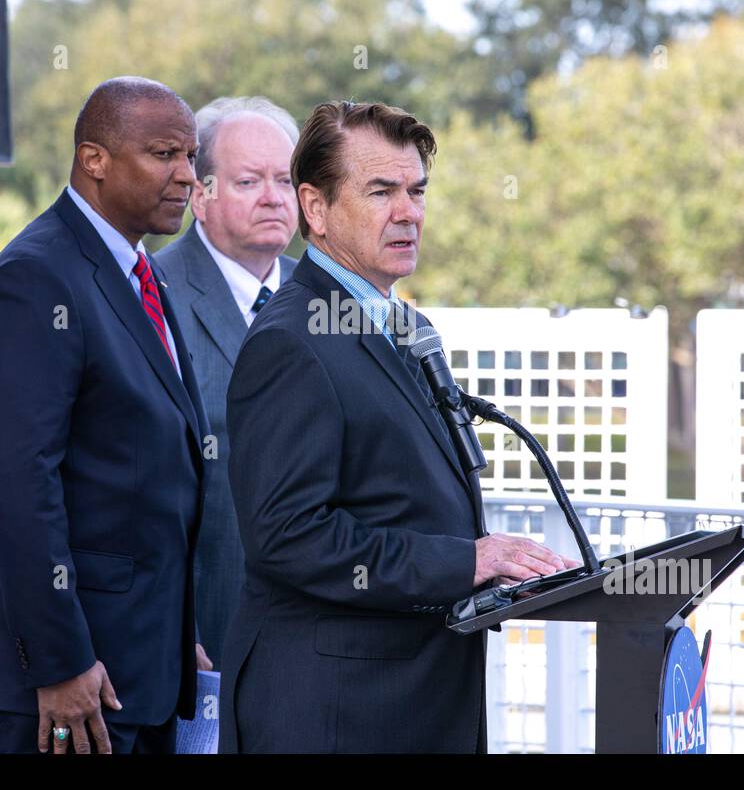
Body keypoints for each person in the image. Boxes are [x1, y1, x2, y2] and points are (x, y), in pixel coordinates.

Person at [219, 100, 578, 753]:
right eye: (381, 191)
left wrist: (488, 569)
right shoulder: (292, 341)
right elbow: (288, 535)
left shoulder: (407, 326)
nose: (408, 212)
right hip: (334, 716)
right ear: (316, 209)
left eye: (416, 191)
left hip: (414, 702)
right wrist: (465, 560)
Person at [0, 77, 211, 754]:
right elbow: (18, 490)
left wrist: (176, 637)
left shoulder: (137, 274)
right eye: (163, 154)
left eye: (191, 157)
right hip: (67, 688)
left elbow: (136, 474)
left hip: (140, 669)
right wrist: (58, 662)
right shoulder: (32, 283)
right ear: (94, 159)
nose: (186, 177)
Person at [156, 96, 299, 671]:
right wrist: (171, 630)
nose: (273, 197)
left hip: (312, 640)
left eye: (286, 181)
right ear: (201, 195)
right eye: (248, 181)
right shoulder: (150, 294)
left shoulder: (328, 303)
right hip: (195, 639)